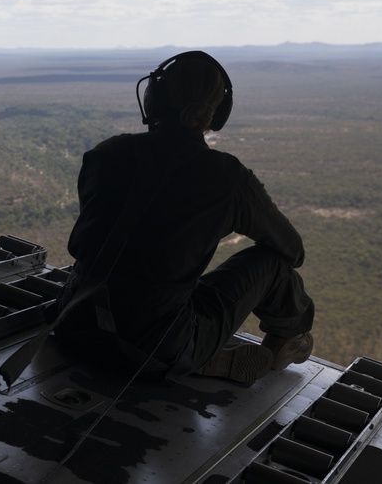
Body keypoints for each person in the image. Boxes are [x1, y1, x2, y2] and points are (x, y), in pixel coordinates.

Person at [53, 51, 314, 383]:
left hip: (73, 323)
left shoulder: (106, 153)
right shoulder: (227, 176)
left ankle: (198, 354)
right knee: (274, 265)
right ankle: (283, 346)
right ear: (217, 113)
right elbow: (293, 251)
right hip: (155, 347)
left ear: (152, 98)